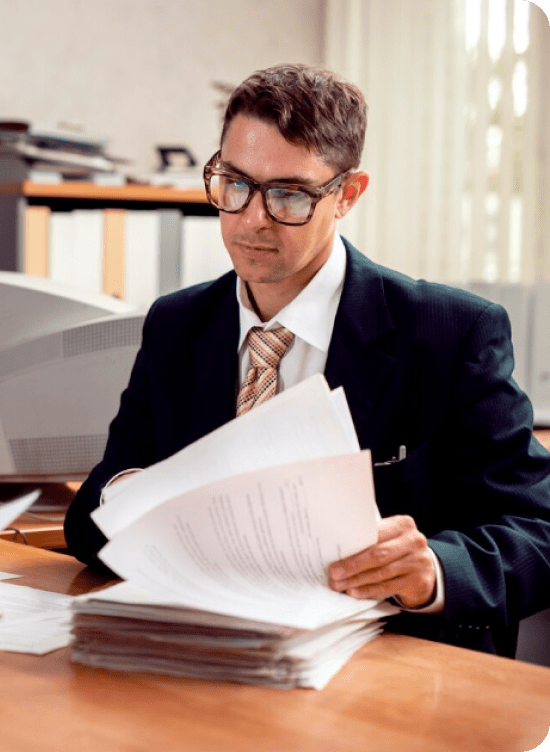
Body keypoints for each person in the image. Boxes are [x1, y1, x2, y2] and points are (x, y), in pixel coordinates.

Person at [64, 63, 550, 657]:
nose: (250, 218)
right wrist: (133, 495)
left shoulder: (448, 332)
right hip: (209, 659)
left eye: (289, 194)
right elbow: (89, 516)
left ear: (347, 194)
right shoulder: (178, 324)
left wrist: (435, 572)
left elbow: (539, 530)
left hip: (391, 674)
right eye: (234, 183)